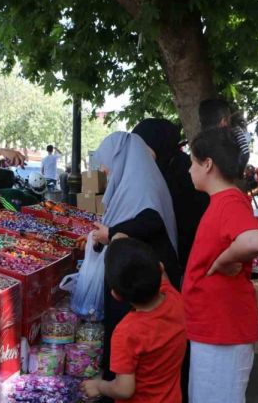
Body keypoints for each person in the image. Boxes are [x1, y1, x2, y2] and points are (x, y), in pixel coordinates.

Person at [71, 132, 180, 403]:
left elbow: (150, 220)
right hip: (146, 277)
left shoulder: (140, 182)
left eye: (106, 162)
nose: (105, 169)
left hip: (136, 277)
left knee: (132, 357)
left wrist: (113, 233)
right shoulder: (137, 178)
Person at [184, 127, 258, 403]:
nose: (189, 170)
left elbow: (255, 239)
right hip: (215, 329)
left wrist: (223, 259)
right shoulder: (224, 200)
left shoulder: (229, 201)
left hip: (222, 331)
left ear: (207, 164)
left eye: (192, 162)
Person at [81, 238, 187, 403]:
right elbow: (162, 274)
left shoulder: (127, 332)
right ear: (160, 268)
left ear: (116, 295)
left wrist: (99, 386)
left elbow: (124, 389)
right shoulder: (175, 300)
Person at [132, 119, 209, 272]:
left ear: (155, 142)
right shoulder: (167, 165)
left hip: (191, 256)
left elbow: (159, 217)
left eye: (142, 146)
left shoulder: (181, 171)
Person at [198, 98, 250, 178]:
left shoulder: (198, 144)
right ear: (224, 121)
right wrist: (240, 173)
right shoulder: (234, 132)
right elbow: (245, 153)